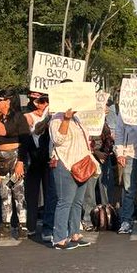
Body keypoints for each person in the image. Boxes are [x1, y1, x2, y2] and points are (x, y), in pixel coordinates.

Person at [49, 103, 95, 250]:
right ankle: (59, 238)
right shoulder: (56, 119)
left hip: (81, 165)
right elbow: (58, 140)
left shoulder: (77, 118)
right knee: (65, 201)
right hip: (65, 164)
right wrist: (66, 119)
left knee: (77, 202)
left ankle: (75, 234)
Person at [0, 89, 32, 240]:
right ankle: (5, 224)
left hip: (15, 156)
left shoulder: (19, 117)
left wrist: (20, 161)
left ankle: (22, 225)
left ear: (7, 101)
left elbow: (25, 140)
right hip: (1, 159)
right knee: (4, 193)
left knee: (18, 191)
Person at [23, 92, 55, 240]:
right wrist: (46, 118)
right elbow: (37, 130)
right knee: (32, 193)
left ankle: (48, 227)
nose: (44, 104)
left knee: (50, 193)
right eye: (41, 101)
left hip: (48, 158)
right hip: (33, 158)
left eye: (47, 101)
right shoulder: (28, 116)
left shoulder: (55, 115)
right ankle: (30, 225)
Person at [108, 99, 137, 234]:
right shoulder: (125, 110)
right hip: (130, 154)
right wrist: (120, 153)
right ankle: (126, 220)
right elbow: (120, 131)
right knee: (129, 189)